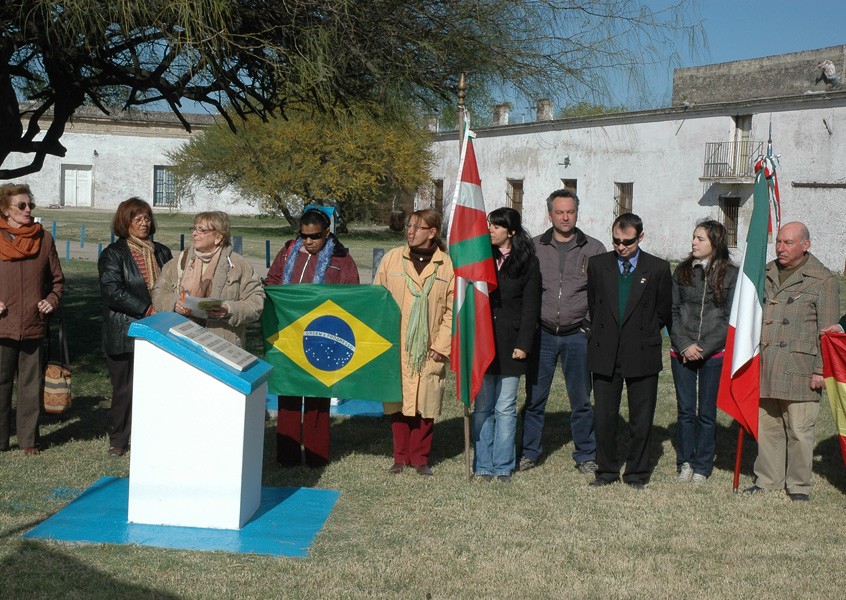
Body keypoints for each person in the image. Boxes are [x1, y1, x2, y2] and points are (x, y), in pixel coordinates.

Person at [745, 221, 839, 501]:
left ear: (805, 245)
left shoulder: (823, 280)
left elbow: (828, 331)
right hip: (766, 363)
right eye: (779, 242)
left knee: (799, 430)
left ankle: (798, 485)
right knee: (768, 426)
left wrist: (821, 370)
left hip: (800, 366)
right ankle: (768, 479)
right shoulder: (766, 272)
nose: (781, 248)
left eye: (788, 243)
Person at [519, 188, 606, 474]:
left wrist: (588, 326)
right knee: (534, 398)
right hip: (542, 334)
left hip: (577, 335)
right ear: (550, 214)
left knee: (581, 399)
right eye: (560, 212)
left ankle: (586, 454)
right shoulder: (533, 246)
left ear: (577, 213)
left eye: (570, 212)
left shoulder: (594, 248)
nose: (565, 217)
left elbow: (599, 293)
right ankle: (529, 451)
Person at [265, 208, 359, 467]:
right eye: (303, 235)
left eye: (315, 236)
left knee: (318, 396)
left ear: (327, 233)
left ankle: (317, 455)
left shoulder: (342, 259)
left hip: (323, 335)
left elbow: (350, 296)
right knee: (289, 393)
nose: (308, 241)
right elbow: (272, 281)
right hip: (289, 333)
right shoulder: (287, 253)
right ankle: (288, 455)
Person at [586, 212, 672, 489]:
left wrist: (641, 334)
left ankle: (637, 473)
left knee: (641, 418)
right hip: (605, 353)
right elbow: (595, 305)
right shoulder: (599, 265)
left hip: (641, 353)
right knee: (604, 417)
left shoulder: (658, 268)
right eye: (616, 241)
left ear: (641, 237)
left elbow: (662, 312)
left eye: (628, 242)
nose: (621, 247)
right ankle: (606, 471)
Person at [374, 208, 454, 476]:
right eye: (409, 227)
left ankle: (420, 458)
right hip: (397, 345)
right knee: (398, 402)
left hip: (430, 348)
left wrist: (441, 347)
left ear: (432, 233)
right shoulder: (392, 260)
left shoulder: (446, 266)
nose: (410, 231)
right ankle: (399, 456)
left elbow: (451, 311)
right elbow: (378, 301)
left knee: (426, 402)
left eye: (417, 228)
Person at [98, 198, 172, 457]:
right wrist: (146, 309)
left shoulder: (162, 252)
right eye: (137, 219)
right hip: (125, 331)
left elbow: (173, 284)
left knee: (156, 386)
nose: (144, 223)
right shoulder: (113, 254)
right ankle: (119, 440)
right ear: (125, 222)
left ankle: (152, 436)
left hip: (159, 330)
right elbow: (112, 291)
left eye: (147, 218)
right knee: (124, 389)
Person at [472, 208, 540, 483]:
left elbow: (530, 307)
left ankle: (502, 465)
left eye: (497, 226)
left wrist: (523, 343)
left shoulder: (527, 262)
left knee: (505, 408)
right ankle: (484, 464)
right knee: (483, 407)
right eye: (489, 225)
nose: (490, 230)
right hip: (483, 343)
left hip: (512, 345)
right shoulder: (479, 259)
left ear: (511, 231)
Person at [670, 220, 737, 483]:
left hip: (714, 354)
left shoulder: (731, 275)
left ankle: (702, 465)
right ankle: (685, 460)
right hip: (682, 351)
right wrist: (685, 344)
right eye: (693, 237)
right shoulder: (682, 271)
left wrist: (705, 347)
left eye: (700, 239)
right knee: (686, 411)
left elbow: (728, 318)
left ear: (715, 243)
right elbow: (673, 311)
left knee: (707, 413)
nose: (693, 242)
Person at [0, 183, 64, 455]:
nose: (28, 210)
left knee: (29, 387)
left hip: (33, 324)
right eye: (22, 206)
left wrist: (50, 301)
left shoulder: (44, 239)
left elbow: (58, 281)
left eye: (30, 205)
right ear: (5, 209)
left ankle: (28, 441)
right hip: (3, 325)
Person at [152, 211, 264, 348]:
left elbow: (256, 303)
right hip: (181, 341)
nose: (194, 233)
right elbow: (159, 291)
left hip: (222, 346)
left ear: (219, 237)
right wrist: (174, 303)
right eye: (194, 228)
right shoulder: (180, 261)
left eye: (202, 230)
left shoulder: (238, 265)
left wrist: (229, 309)